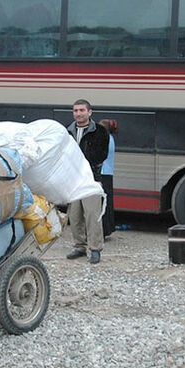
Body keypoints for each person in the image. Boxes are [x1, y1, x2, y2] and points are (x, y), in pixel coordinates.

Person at [66, 99, 109, 264]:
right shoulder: (67, 132)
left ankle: (95, 248)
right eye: (75, 110)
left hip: (91, 180)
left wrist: (81, 163)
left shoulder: (100, 131)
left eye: (82, 110)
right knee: (75, 216)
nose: (78, 113)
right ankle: (79, 246)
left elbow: (101, 155)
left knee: (92, 215)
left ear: (89, 112)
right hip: (73, 181)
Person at [99, 119, 118, 237]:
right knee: (108, 202)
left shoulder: (103, 139)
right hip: (108, 173)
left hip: (102, 173)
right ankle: (109, 228)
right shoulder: (111, 138)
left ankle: (103, 230)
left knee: (102, 203)